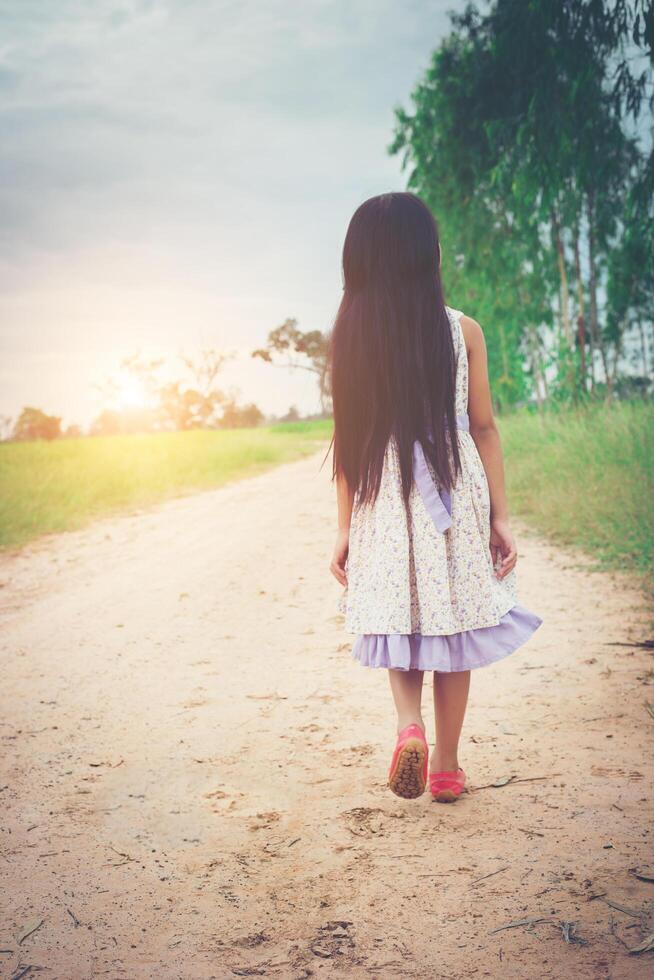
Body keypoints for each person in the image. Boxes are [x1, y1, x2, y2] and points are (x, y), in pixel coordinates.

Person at [328, 192, 542, 803]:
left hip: (384, 492)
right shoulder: (462, 330)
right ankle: (447, 765)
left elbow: (347, 440)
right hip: (452, 483)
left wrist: (343, 527)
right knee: (454, 620)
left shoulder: (350, 338)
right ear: (429, 255)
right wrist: (500, 515)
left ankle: (407, 725)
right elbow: (484, 427)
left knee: (401, 611)